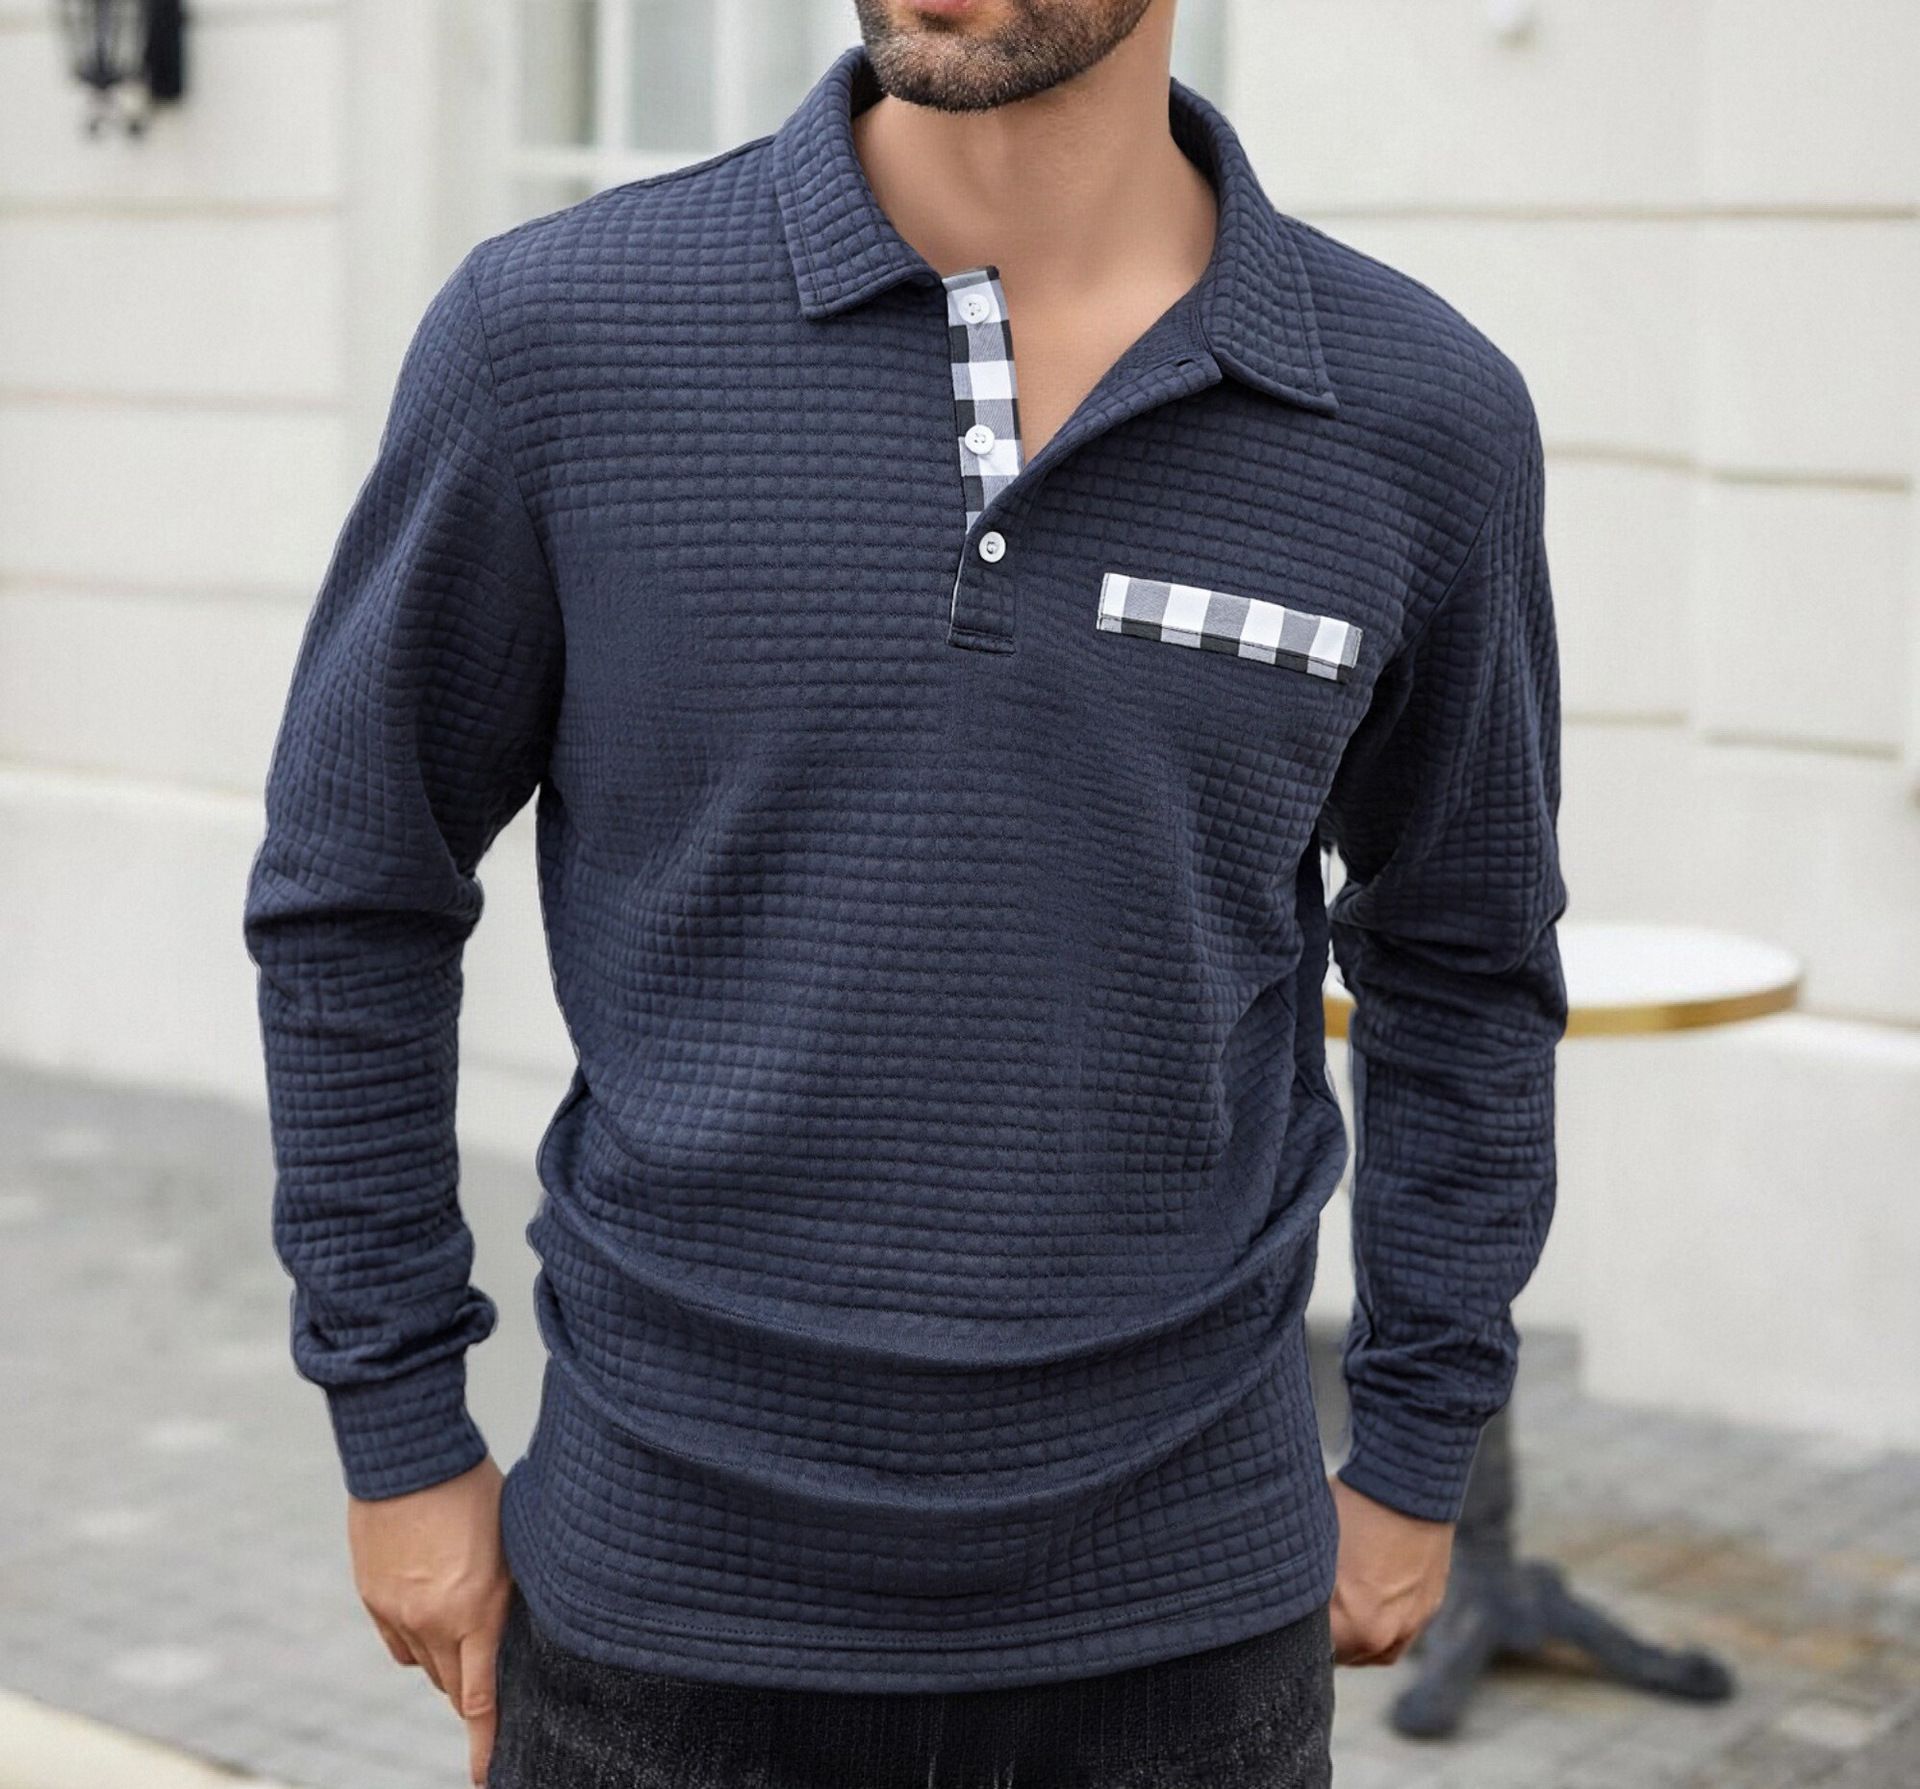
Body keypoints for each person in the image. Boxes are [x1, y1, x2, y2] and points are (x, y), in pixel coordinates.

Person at [240, 1, 1570, 1783]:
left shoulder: (1419, 414)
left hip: (1184, 1624)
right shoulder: (557, 334)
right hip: (666, 1603)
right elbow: (356, 887)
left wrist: (1414, 1446)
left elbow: (1467, 966)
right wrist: (398, 1427)